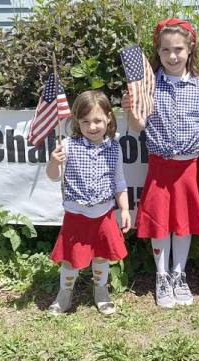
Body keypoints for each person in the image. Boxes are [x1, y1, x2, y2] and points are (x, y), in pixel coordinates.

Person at [122, 18, 199, 308]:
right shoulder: (149, 85)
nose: (172, 56)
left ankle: (178, 273)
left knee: (183, 224)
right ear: (157, 53)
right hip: (160, 166)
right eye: (165, 51)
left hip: (188, 166)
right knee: (160, 223)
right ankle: (161, 277)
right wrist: (131, 110)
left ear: (190, 49)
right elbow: (137, 127)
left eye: (178, 50)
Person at [46, 90, 131, 315]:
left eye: (97, 121)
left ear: (108, 119)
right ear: (76, 122)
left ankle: (101, 290)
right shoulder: (68, 145)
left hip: (103, 214)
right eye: (85, 122)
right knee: (71, 259)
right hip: (76, 214)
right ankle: (64, 293)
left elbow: (119, 180)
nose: (92, 127)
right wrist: (54, 162)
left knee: (101, 255)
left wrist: (124, 208)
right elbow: (53, 176)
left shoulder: (114, 146)